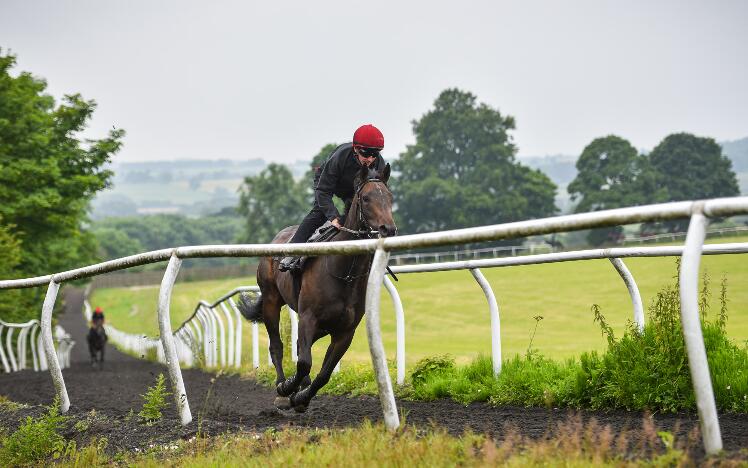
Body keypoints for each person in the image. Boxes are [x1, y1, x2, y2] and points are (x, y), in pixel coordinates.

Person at [279, 124, 387, 272]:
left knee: (362, 216)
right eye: (365, 154)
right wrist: (333, 216)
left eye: (374, 154)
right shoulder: (340, 157)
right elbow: (323, 191)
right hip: (329, 182)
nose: (370, 159)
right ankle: (291, 253)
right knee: (319, 213)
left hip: (355, 188)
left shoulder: (378, 163)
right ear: (355, 149)